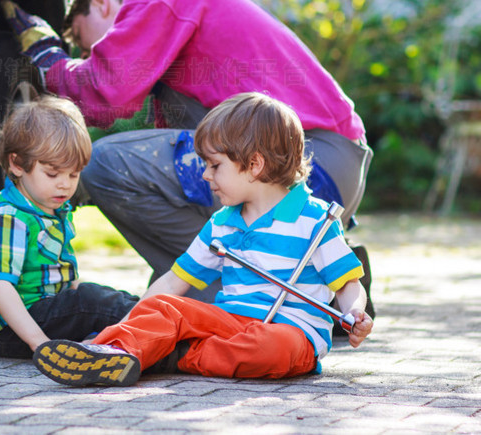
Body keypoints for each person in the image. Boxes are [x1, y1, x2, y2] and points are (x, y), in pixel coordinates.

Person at [2, 0, 373, 303]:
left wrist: (48, 58)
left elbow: (107, 88)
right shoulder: (183, 44)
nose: (88, 56)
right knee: (167, 277)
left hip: (312, 161)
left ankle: (240, 297)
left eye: (85, 46)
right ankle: (306, 284)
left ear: (101, 3)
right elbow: (117, 113)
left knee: (104, 165)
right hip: (329, 168)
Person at [31, 92, 374, 387]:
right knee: (165, 308)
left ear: (254, 165)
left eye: (214, 165)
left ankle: (167, 356)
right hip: (228, 324)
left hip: (291, 334)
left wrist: (355, 313)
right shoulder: (222, 223)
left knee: (272, 348)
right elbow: (173, 283)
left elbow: (347, 284)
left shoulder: (314, 219)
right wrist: (129, 324)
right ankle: (111, 351)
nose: (205, 174)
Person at [0, 95, 140, 358]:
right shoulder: (6, 217)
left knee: (103, 299)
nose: (65, 184)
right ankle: (158, 338)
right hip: (9, 330)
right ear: (17, 164)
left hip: (44, 316)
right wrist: (39, 343)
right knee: (92, 303)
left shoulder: (52, 211)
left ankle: (149, 326)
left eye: (73, 174)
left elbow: (66, 279)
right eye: (52, 174)